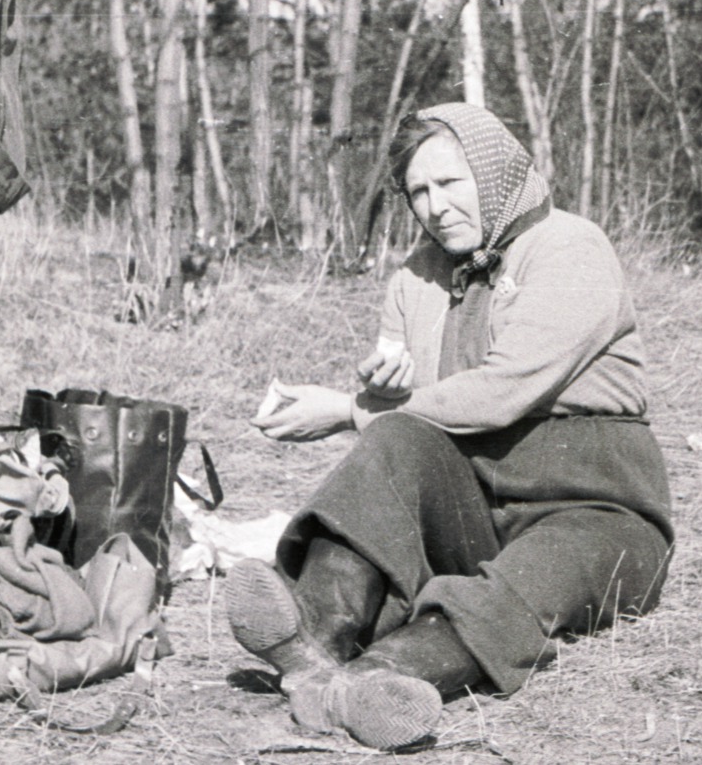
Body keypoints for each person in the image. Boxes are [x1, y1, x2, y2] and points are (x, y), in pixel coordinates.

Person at [227, 102, 673, 751]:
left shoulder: (571, 247)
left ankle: (380, 676)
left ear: (493, 174)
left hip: (597, 505)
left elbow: (500, 392)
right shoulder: (416, 276)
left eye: (449, 183)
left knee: (524, 580)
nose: (435, 206)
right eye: (418, 192)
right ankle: (315, 631)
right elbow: (421, 416)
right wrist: (382, 394)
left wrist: (349, 410)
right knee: (395, 437)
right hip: (482, 500)